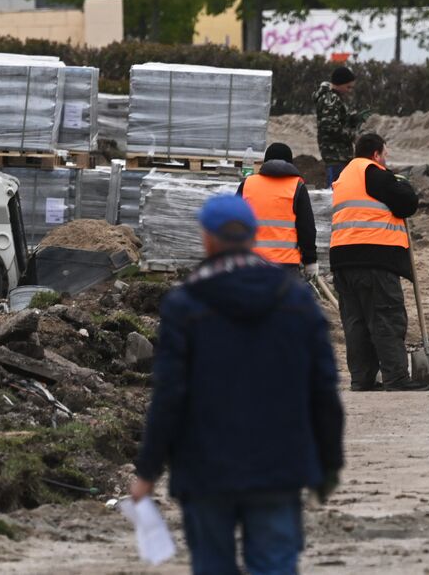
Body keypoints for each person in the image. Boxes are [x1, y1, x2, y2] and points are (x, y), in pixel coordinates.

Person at [130, 194, 344, 575]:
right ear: (253, 236)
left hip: (205, 469)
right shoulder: (296, 300)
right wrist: (328, 462)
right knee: (275, 566)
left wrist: (147, 470)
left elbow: (169, 395)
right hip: (279, 466)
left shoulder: (185, 305)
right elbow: (323, 389)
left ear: (207, 239)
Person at [329, 133, 429, 392]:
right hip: (373, 258)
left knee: (356, 322)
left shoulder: (344, 177)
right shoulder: (373, 173)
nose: (386, 160)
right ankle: (396, 378)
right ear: (376, 154)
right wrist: (401, 182)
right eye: (384, 154)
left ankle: (361, 379)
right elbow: (407, 204)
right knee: (387, 317)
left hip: (342, 260)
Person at [238, 143, 317, 277]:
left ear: (265, 161)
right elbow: (306, 228)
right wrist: (310, 260)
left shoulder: (247, 184)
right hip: (286, 266)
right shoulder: (297, 186)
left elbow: (233, 222)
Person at [314, 67, 364, 186]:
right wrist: (353, 136)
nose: (349, 90)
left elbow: (335, 121)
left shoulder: (333, 98)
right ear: (339, 84)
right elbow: (330, 127)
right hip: (335, 155)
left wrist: (351, 119)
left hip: (339, 154)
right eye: (348, 87)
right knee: (337, 189)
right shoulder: (330, 99)